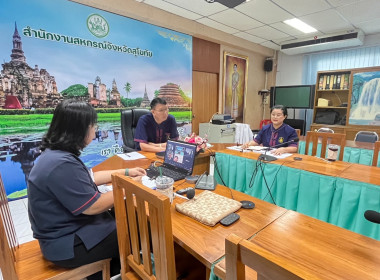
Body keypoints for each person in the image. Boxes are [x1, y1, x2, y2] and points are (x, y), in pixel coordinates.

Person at [27, 99, 146, 280]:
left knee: (127, 216)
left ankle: (112, 269)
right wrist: (130, 187)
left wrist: (126, 172)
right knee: (144, 229)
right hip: (68, 244)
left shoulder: (56, 155)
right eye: (93, 125)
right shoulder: (61, 164)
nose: (95, 129)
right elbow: (93, 207)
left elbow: (89, 178)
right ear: (78, 129)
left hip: (65, 233)